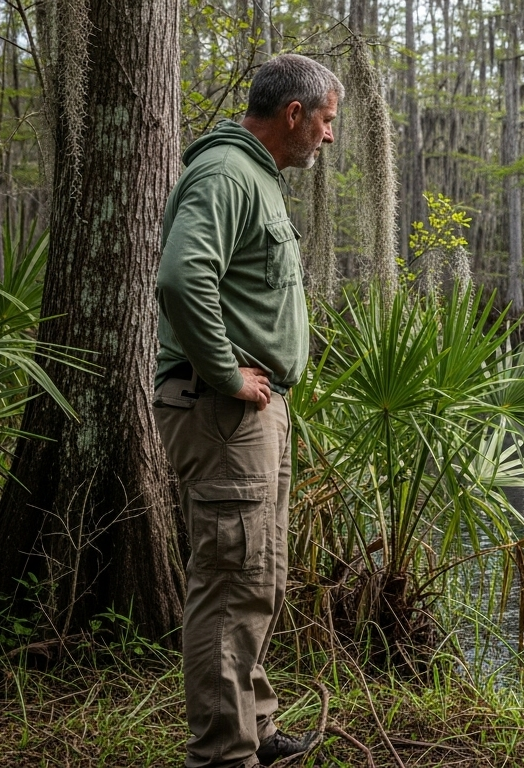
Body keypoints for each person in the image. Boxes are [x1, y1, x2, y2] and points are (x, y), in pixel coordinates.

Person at [153, 53, 341, 768]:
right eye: (326, 121)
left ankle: (254, 731)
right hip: (221, 411)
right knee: (232, 582)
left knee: (256, 576)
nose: (329, 137)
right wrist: (227, 374)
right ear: (294, 114)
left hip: (250, 415)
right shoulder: (227, 173)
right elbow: (180, 276)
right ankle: (224, 755)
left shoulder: (253, 177)